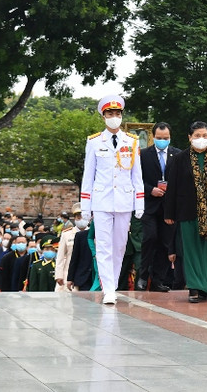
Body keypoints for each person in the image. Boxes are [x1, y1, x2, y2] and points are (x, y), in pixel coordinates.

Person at [80, 95, 145, 305]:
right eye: (110, 114)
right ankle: (108, 288)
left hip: (124, 199)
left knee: (119, 247)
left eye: (117, 113)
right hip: (101, 200)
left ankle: (113, 285)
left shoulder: (132, 142)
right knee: (104, 246)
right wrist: (85, 206)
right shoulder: (94, 142)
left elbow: (137, 175)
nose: (114, 117)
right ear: (103, 116)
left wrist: (139, 202)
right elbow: (88, 175)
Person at [163, 121, 207, 303]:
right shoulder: (180, 159)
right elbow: (172, 188)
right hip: (187, 212)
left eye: (204, 136)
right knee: (192, 250)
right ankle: (194, 288)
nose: (201, 139)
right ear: (189, 137)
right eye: (197, 136)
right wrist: (169, 213)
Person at [136, 122, 181, 292]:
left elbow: (181, 180)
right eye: (160, 138)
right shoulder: (144, 155)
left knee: (165, 243)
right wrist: (150, 190)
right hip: (149, 205)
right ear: (153, 137)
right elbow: (137, 179)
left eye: (166, 138)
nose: (163, 141)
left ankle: (158, 280)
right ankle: (143, 276)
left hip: (169, 206)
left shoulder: (177, 154)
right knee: (150, 238)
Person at [55, 205, 82, 292]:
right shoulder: (67, 234)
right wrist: (59, 275)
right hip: (69, 272)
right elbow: (60, 256)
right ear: (74, 218)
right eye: (78, 217)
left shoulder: (93, 234)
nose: (81, 219)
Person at [66, 216, 94, 291]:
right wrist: (70, 278)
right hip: (84, 277)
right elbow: (75, 257)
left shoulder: (108, 236)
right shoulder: (81, 235)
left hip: (101, 277)